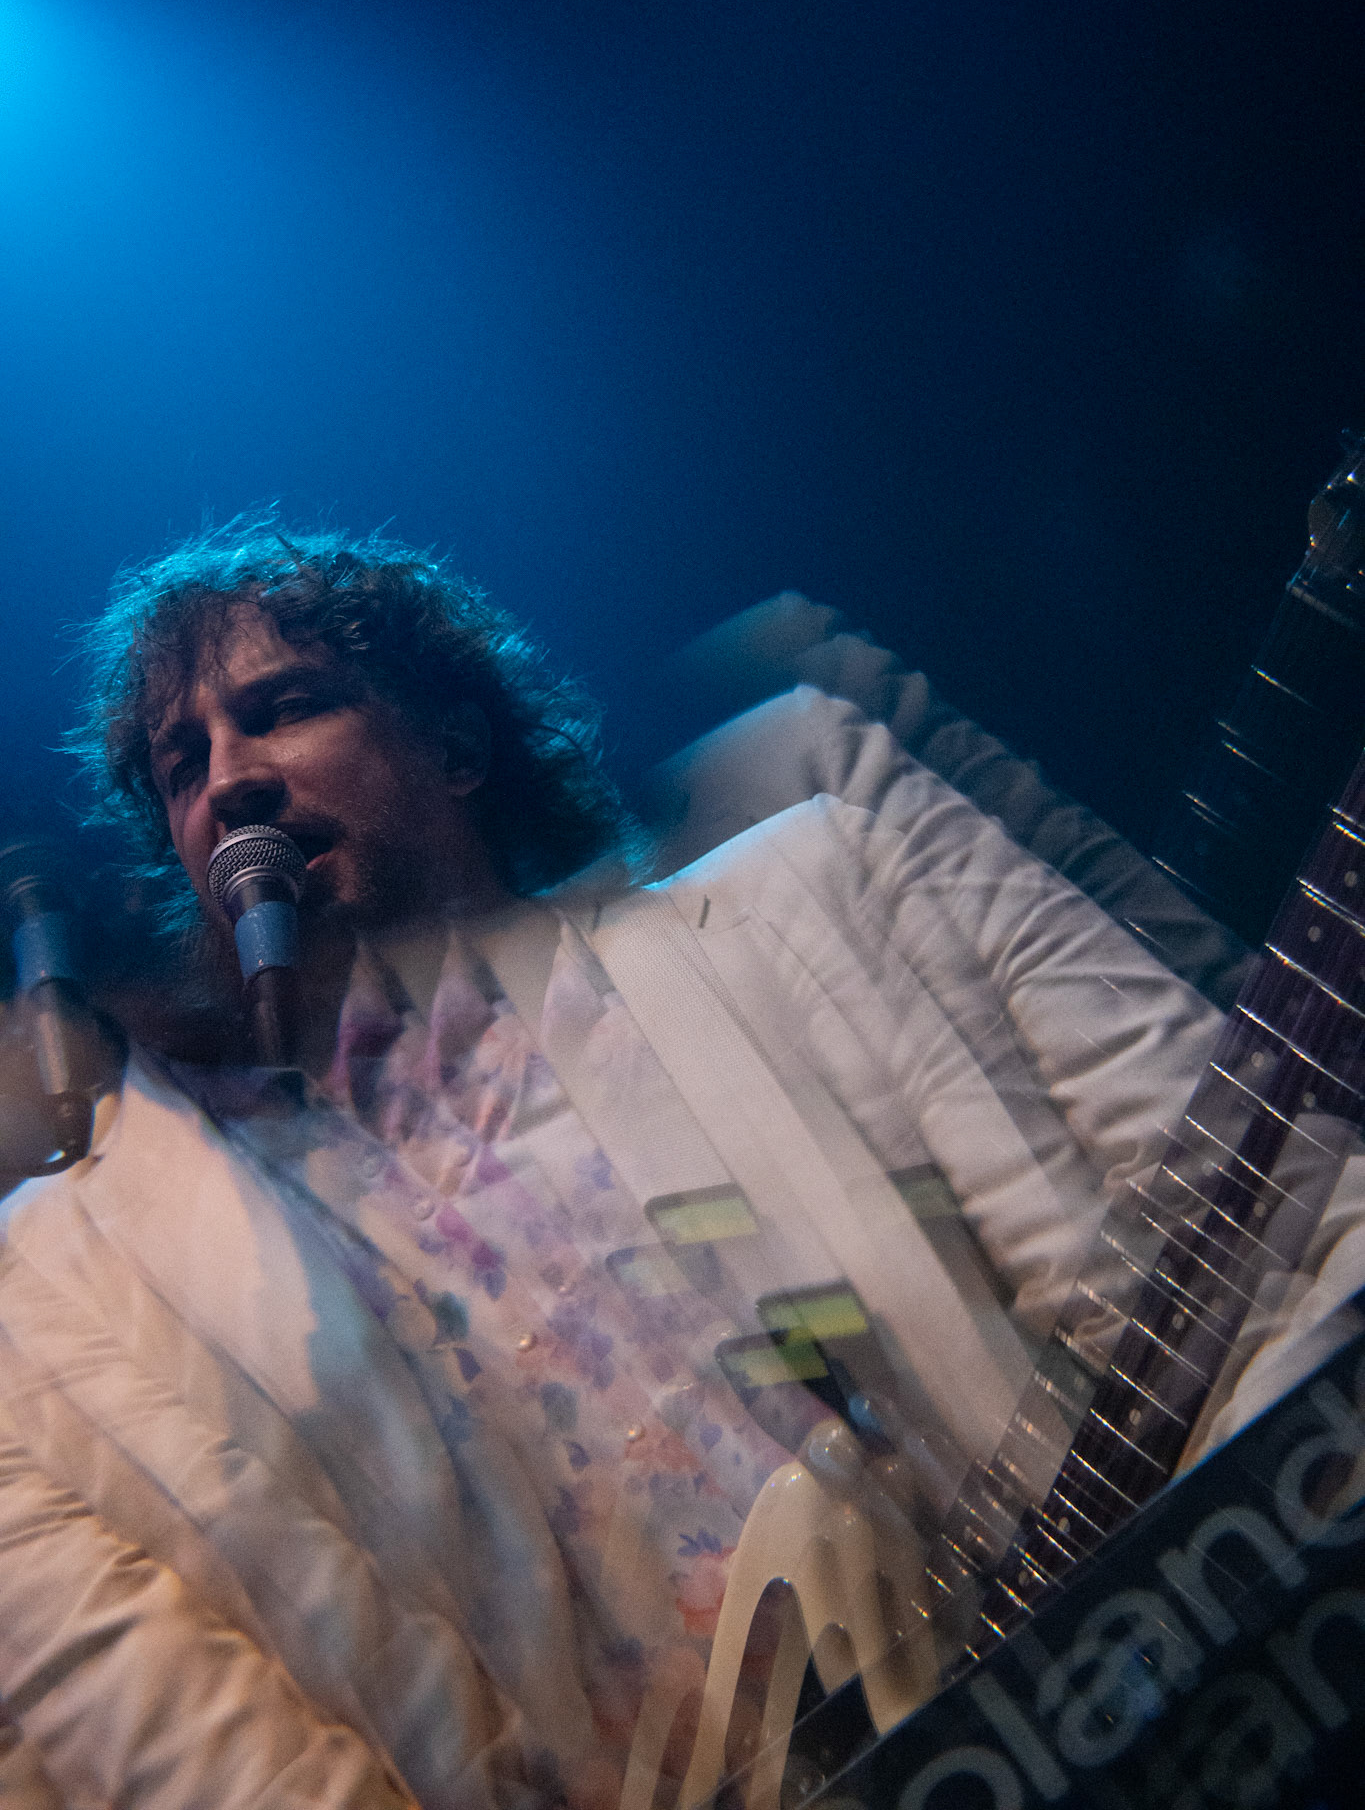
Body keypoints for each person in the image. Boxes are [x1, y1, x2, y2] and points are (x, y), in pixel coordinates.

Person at [0, 520, 1339, 1809]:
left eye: (284, 707)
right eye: (180, 765)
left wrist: (1221, 1625)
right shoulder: (251, 1252)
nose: (227, 780)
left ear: (455, 743)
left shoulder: (821, 885)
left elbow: (1288, 1229)